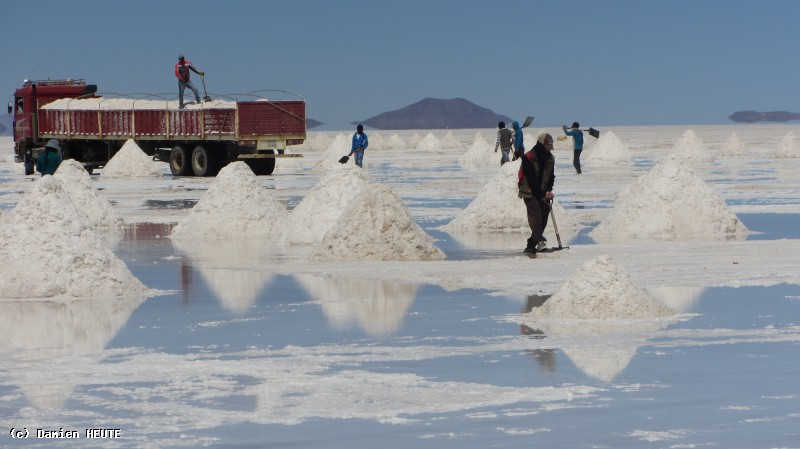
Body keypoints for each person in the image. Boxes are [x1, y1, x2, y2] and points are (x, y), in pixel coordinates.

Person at [518, 132, 555, 256]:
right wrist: (540, 195)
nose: (548, 151)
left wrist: (548, 190)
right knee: (536, 214)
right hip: (528, 190)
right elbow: (531, 179)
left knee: (544, 216)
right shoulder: (527, 157)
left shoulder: (550, 158)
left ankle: (531, 245)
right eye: (546, 147)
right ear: (540, 145)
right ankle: (539, 241)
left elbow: (551, 177)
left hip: (543, 190)